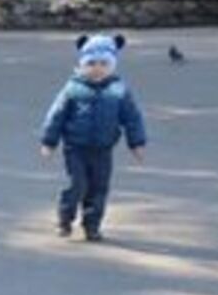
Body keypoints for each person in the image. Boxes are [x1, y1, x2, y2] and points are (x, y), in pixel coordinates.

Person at [41, 33, 147, 242]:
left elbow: (132, 118)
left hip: (103, 149)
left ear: (112, 65)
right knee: (78, 184)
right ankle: (65, 218)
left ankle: (92, 225)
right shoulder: (73, 88)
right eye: (91, 63)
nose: (97, 69)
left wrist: (137, 143)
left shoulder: (118, 90)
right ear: (82, 65)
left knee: (99, 188)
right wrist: (49, 141)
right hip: (76, 148)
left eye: (104, 64)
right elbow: (56, 115)